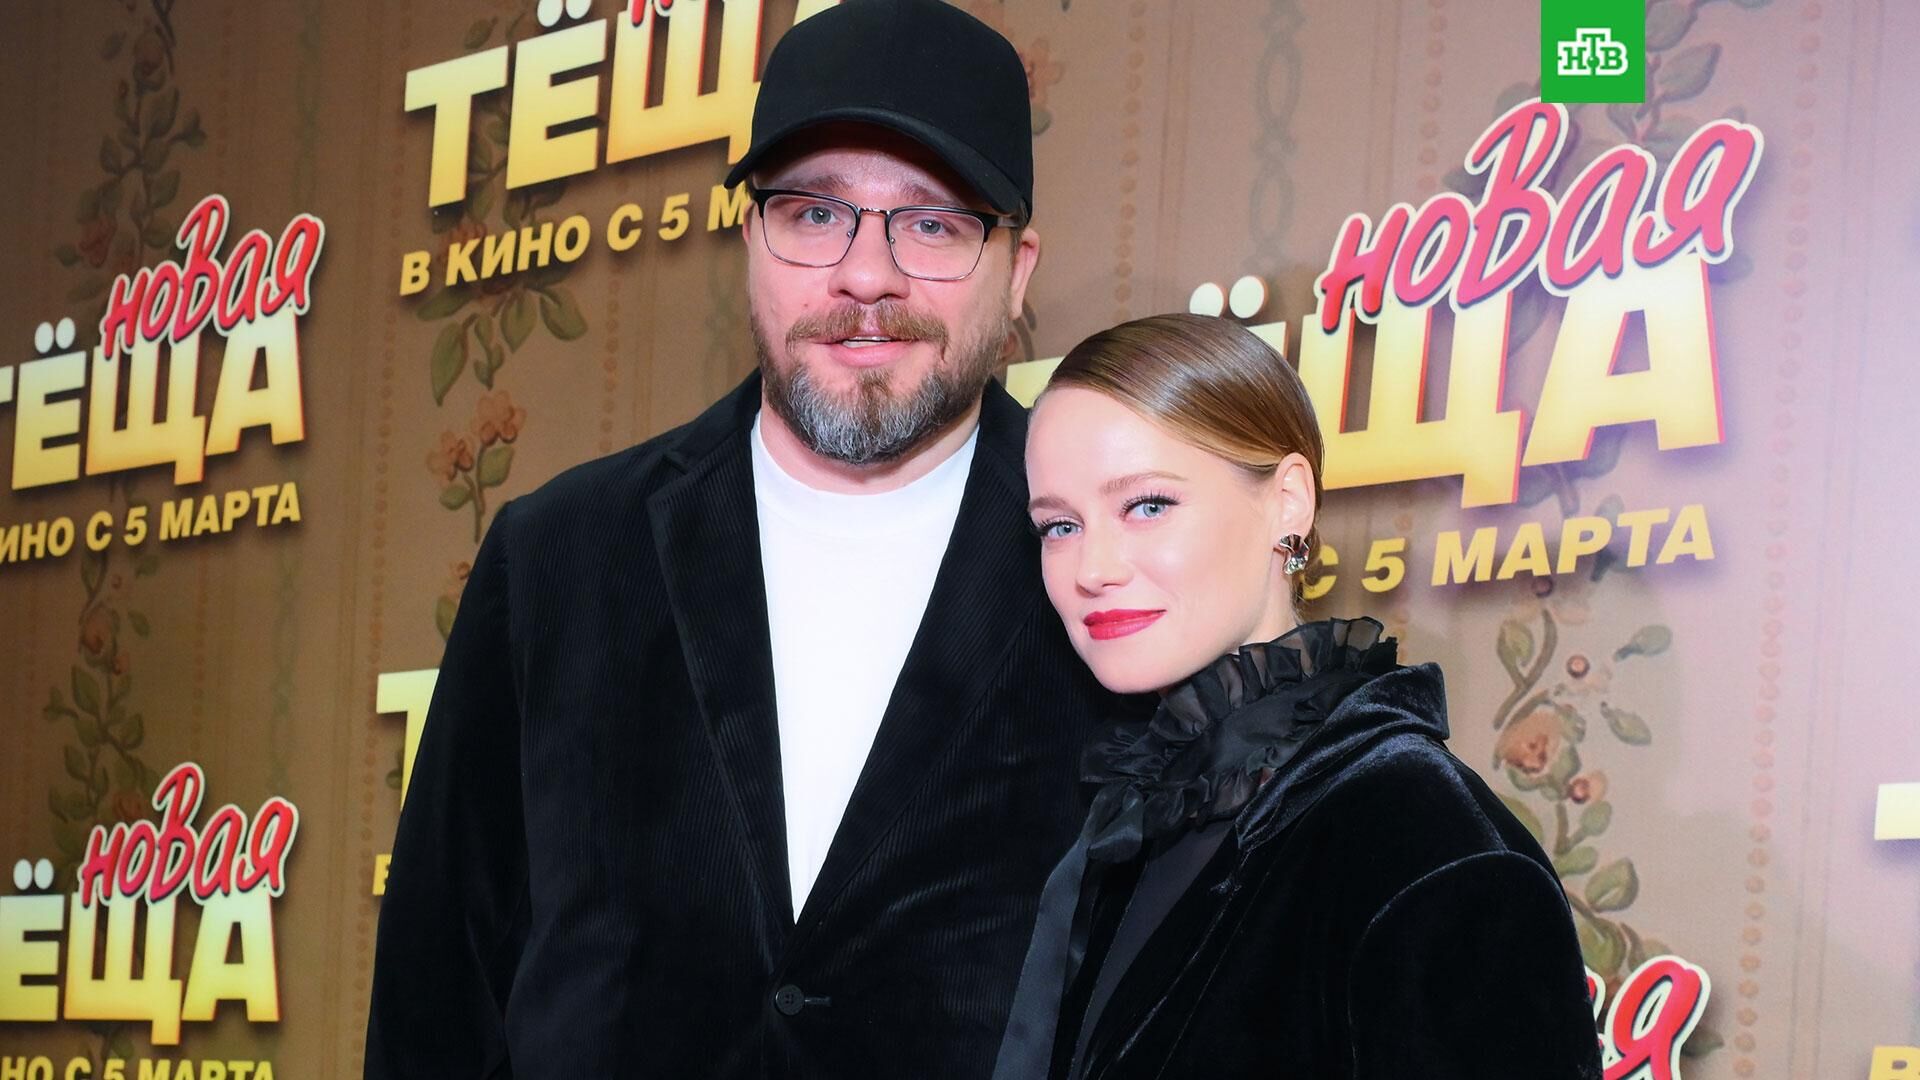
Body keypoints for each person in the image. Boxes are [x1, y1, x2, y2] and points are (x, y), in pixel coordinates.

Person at [364, 2, 1122, 1076]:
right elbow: (437, 1004)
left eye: (933, 224)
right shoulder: (557, 560)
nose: (867, 275)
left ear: (1019, 266)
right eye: (813, 213)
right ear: (751, 239)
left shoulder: (1111, 569)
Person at [994, 313, 1604, 1079]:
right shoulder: (1138, 808)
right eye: (1059, 526)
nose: (1093, 568)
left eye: (1147, 505)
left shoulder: (1420, 835)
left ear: (1288, 501)